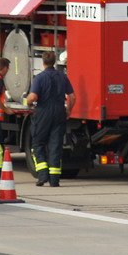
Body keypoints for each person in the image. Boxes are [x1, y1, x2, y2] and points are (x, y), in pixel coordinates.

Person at [25, 51, 75, 187]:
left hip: (43, 113)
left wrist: (27, 102)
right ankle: (54, 180)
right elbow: (72, 96)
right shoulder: (62, 77)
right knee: (55, 146)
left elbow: (33, 97)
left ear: (43, 62)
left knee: (38, 144)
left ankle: (42, 176)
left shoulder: (39, 78)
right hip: (59, 112)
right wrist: (68, 110)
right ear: (54, 61)